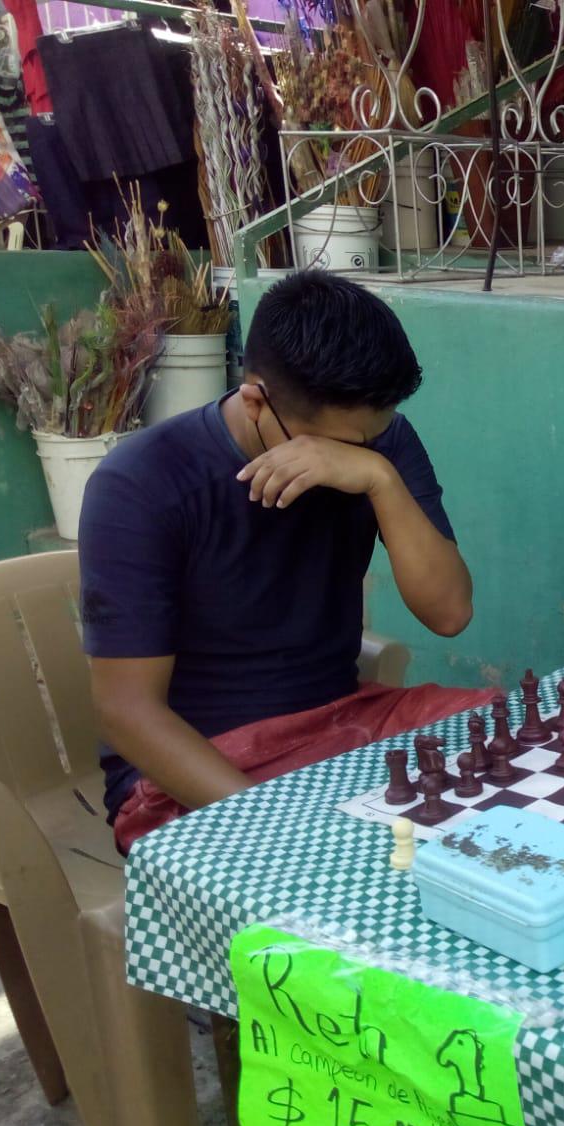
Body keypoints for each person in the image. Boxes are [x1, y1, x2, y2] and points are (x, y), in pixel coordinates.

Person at [80, 271, 492, 854]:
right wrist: (282, 830)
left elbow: (450, 613)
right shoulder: (143, 482)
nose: (358, 451)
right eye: (341, 443)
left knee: (514, 739)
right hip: (202, 767)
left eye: (371, 437)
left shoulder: (380, 441)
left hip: (342, 722)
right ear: (255, 401)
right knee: (352, 868)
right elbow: (126, 711)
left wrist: (380, 477)